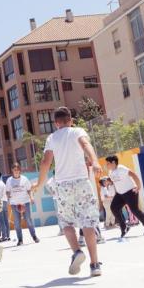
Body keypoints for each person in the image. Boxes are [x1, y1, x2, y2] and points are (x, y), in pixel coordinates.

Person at [33, 107, 104, 277]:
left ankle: (77, 251)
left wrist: (40, 183)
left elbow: (45, 162)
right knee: (87, 222)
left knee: (66, 223)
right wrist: (94, 161)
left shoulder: (52, 138)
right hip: (81, 181)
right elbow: (86, 144)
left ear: (56, 123)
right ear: (70, 120)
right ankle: (95, 265)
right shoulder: (77, 131)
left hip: (63, 185)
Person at [104, 156, 144, 239]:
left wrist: (138, 186)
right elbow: (115, 180)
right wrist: (108, 182)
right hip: (120, 194)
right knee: (113, 207)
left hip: (130, 192)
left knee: (134, 210)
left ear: (113, 162)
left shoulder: (121, 168)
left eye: (108, 163)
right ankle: (124, 227)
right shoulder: (110, 172)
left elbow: (134, 175)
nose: (107, 165)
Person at [5, 163, 39, 245]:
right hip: (15, 204)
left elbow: (29, 190)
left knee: (28, 220)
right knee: (17, 222)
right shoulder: (9, 180)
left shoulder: (24, 179)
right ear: (12, 171)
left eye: (17, 170)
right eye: (14, 170)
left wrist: (31, 197)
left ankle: (34, 236)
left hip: (25, 202)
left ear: (20, 170)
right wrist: (8, 197)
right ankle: (20, 240)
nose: (16, 171)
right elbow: (7, 191)